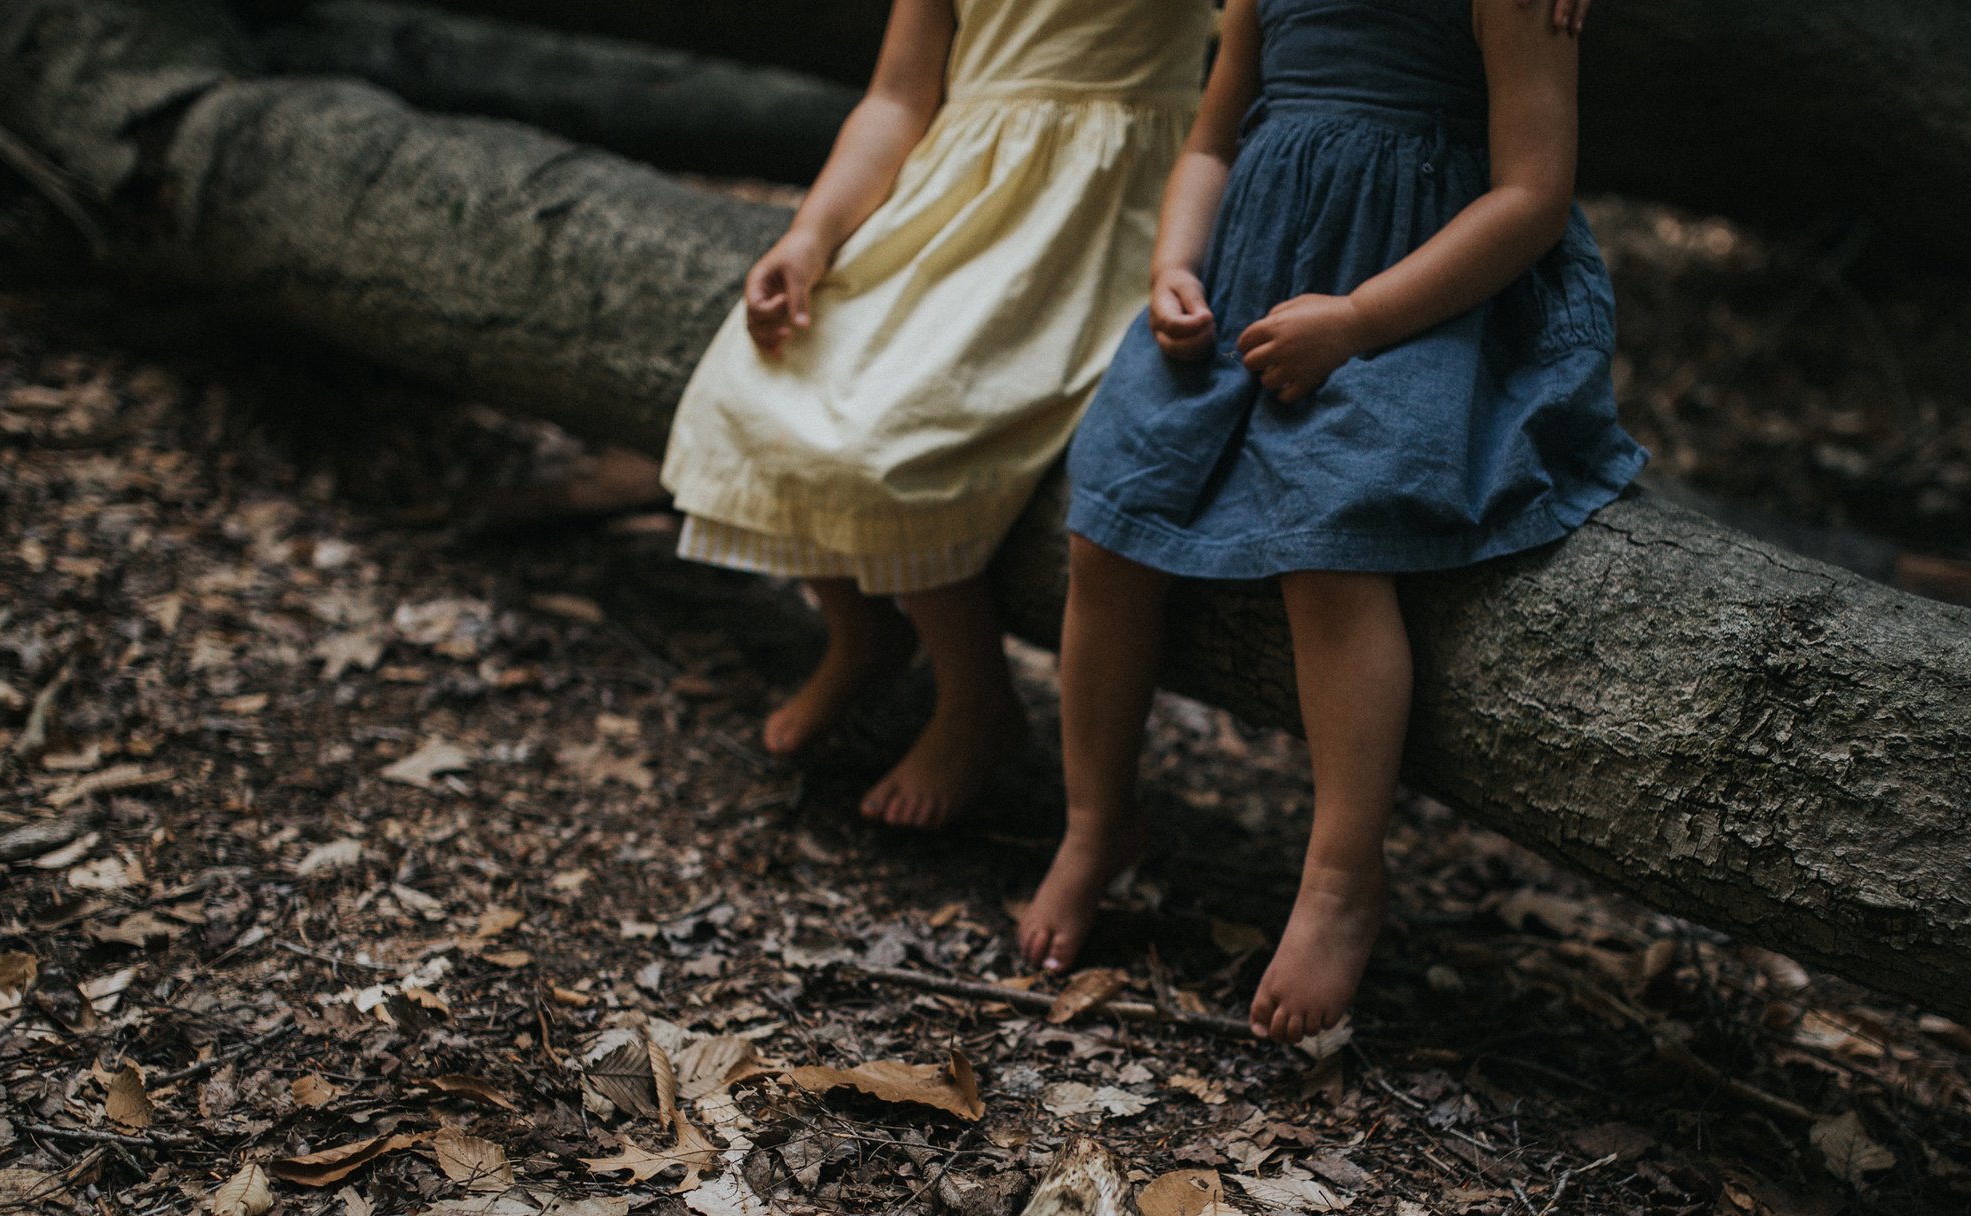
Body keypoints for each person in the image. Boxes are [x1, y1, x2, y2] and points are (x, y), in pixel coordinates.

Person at [662, 0, 1594, 829]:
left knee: (907, 436)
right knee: (765, 389)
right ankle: (898, 660)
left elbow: (1526, 183)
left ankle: (985, 699)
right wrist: (810, 233)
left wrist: (1337, 315)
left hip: (1152, 235)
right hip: (1013, 215)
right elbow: (903, 96)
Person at [1018, 0, 1646, 1043]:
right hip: (1245, 291)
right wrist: (1174, 262)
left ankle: (1341, 877)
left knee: (1333, 546)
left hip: (1420, 305)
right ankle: (1094, 822)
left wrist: (1358, 323)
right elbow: (1214, 139)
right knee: (1110, 522)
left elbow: (1532, 196)